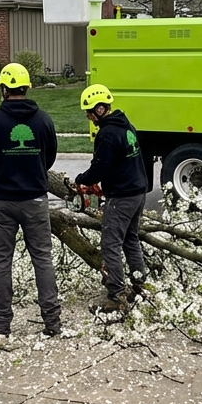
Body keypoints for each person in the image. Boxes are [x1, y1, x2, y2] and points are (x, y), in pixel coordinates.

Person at [0, 62, 63, 337]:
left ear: (4, 90)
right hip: (35, 199)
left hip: (2, 201)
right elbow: (50, 157)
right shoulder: (43, 120)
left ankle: (2, 324)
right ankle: (52, 322)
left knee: (2, 261)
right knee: (43, 259)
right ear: (26, 88)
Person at [73, 83, 151, 310]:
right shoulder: (125, 125)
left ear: (98, 109)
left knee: (110, 244)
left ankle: (116, 295)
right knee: (131, 239)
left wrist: (82, 180)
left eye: (89, 111)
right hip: (138, 191)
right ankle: (139, 284)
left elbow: (99, 168)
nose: (88, 116)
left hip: (122, 196)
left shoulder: (106, 134)